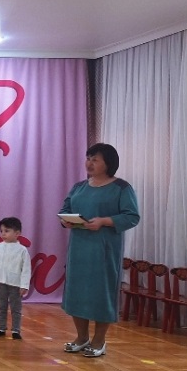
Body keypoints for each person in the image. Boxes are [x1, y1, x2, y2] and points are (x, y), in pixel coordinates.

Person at [59, 142, 140, 358]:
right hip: (79, 248)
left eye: (95, 159)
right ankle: (81, 337)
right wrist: (66, 220)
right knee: (77, 291)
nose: (89, 163)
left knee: (101, 292)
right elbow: (66, 208)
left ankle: (99, 340)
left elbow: (132, 216)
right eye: (88, 158)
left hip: (104, 250)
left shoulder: (121, 188)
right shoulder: (79, 187)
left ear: (108, 163)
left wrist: (104, 221)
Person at [0, 217, 32, 341]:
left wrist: (24, 285)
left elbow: (26, 269)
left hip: (15, 284)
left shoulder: (22, 250)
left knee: (16, 308)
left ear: (17, 233)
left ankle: (16, 330)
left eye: (7, 231)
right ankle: (1, 328)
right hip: (0, 281)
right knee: (1, 306)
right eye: (1, 231)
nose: (3, 234)